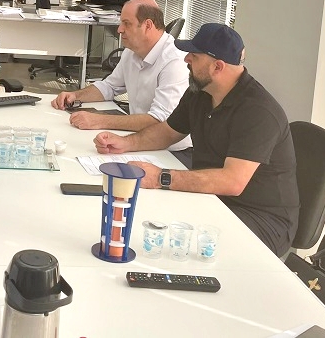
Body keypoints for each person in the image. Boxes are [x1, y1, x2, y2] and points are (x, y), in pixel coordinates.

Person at [93, 23, 299, 256]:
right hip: (213, 199)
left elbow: (232, 181)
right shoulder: (201, 92)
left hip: (260, 220)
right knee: (147, 219)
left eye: (194, 56)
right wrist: (125, 143)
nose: (186, 59)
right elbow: (168, 132)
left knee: (166, 241)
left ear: (217, 67)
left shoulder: (258, 112)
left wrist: (160, 177)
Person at [50, 0, 191, 151]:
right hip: (139, 140)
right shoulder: (132, 51)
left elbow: (160, 121)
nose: (119, 29)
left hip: (171, 152)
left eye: (126, 23)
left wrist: (99, 120)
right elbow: (109, 87)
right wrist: (75, 95)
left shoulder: (175, 61)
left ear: (148, 25)